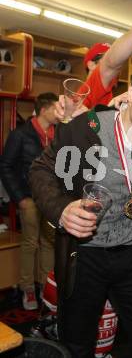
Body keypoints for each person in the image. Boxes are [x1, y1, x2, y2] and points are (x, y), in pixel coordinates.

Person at [29, 62, 132, 357]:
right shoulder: (87, 128)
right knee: (77, 341)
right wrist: (61, 209)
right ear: (131, 93)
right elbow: (41, 171)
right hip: (85, 254)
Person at [0, 92, 59, 310]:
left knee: (48, 244)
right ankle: (27, 289)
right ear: (44, 110)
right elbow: (5, 166)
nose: (60, 112)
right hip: (29, 198)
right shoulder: (20, 134)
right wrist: (20, 198)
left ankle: (44, 286)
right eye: (56, 108)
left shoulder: (58, 133)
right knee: (30, 243)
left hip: (50, 199)